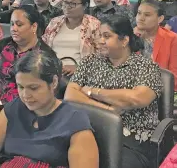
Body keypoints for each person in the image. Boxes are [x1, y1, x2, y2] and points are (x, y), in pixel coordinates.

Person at [0, 50, 98, 168]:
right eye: (21, 87)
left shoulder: (75, 122)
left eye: (33, 88)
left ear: (53, 82)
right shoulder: (15, 107)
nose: (25, 95)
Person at [64, 15, 163, 168]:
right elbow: (70, 96)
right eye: (99, 36)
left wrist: (91, 91)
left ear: (124, 40)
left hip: (131, 140)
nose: (100, 41)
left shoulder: (145, 67)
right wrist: (109, 111)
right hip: (89, 132)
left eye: (106, 36)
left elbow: (137, 98)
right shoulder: (90, 61)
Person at [0, 5, 55, 117]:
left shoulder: (44, 55)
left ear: (34, 27)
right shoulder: (3, 45)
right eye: (12, 24)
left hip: (24, 111)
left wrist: (5, 111)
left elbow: (44, 94)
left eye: (19, 25)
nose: (13, 28)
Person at [43, 0, 101, 76]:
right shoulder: (54, 23)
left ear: (85, 5)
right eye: (65, 2)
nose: (67, 7)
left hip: (81, 73)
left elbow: (102, 54)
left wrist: (79, 67)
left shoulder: (94, 24)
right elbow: (44, 48)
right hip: (53, 71)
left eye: (72, 4)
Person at [134, 0, 177, 91]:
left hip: (161, 90)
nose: (141, 18)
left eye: (147, 15)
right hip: (131, 88)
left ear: (160, 19)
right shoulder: (129, 36)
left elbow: (174, 76)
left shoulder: (172, 39)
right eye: (139, 13)